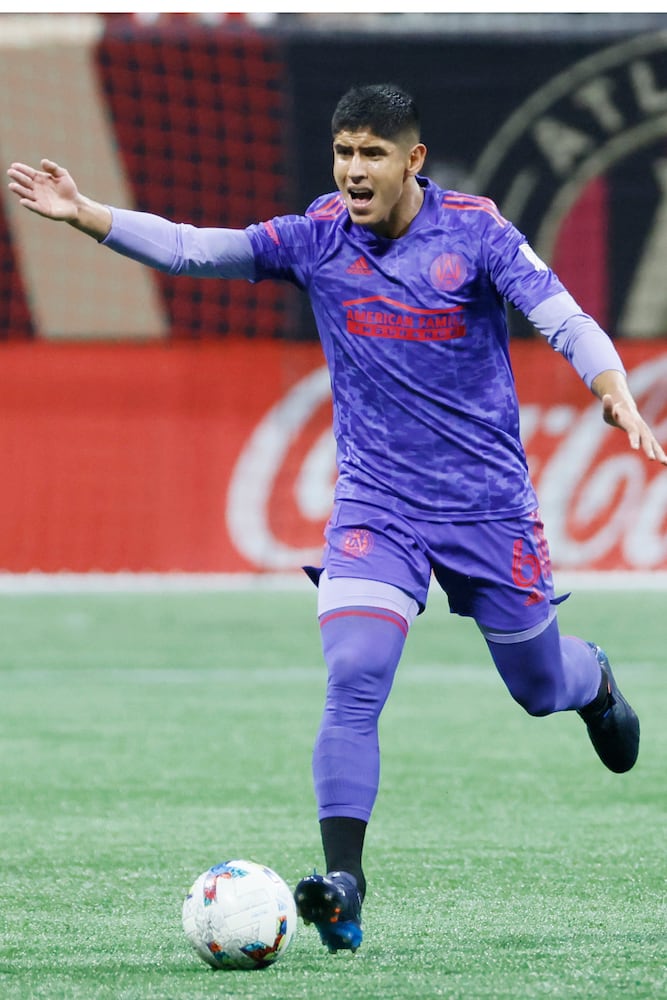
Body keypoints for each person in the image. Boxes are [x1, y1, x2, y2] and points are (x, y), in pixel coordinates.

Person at [8, 83, 666, 957]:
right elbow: (198, 251)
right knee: (355, 672)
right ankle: (343, 886)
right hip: (375, 503)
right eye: (343, 153)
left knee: (539, 688)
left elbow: (563, 317)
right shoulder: (317, 236)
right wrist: (88, 214)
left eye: (371, 155)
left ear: (412, 161)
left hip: (484, 505)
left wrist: (612, 387)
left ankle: (593, 682)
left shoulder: (474, 233)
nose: (353, 172)